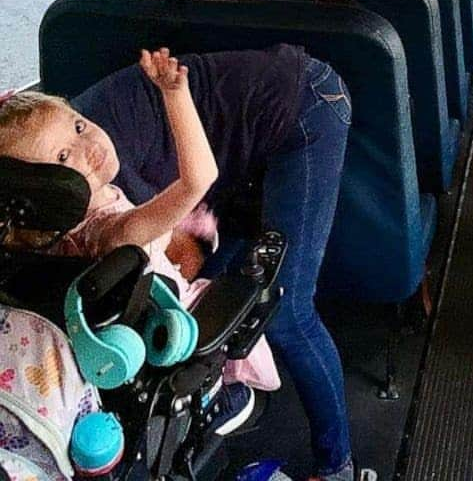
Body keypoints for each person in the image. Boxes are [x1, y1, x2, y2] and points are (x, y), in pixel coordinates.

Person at [0, 45, 354, 481]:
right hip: (178, 313)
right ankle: (312, 449)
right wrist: (175, 94)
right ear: (38, 193)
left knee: (275, 295)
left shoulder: (31, 234)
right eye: (62, 158)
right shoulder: (110, 229)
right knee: (288, 312)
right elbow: (198, 179)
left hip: (303, 98)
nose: (86, 146)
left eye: (78, 125)